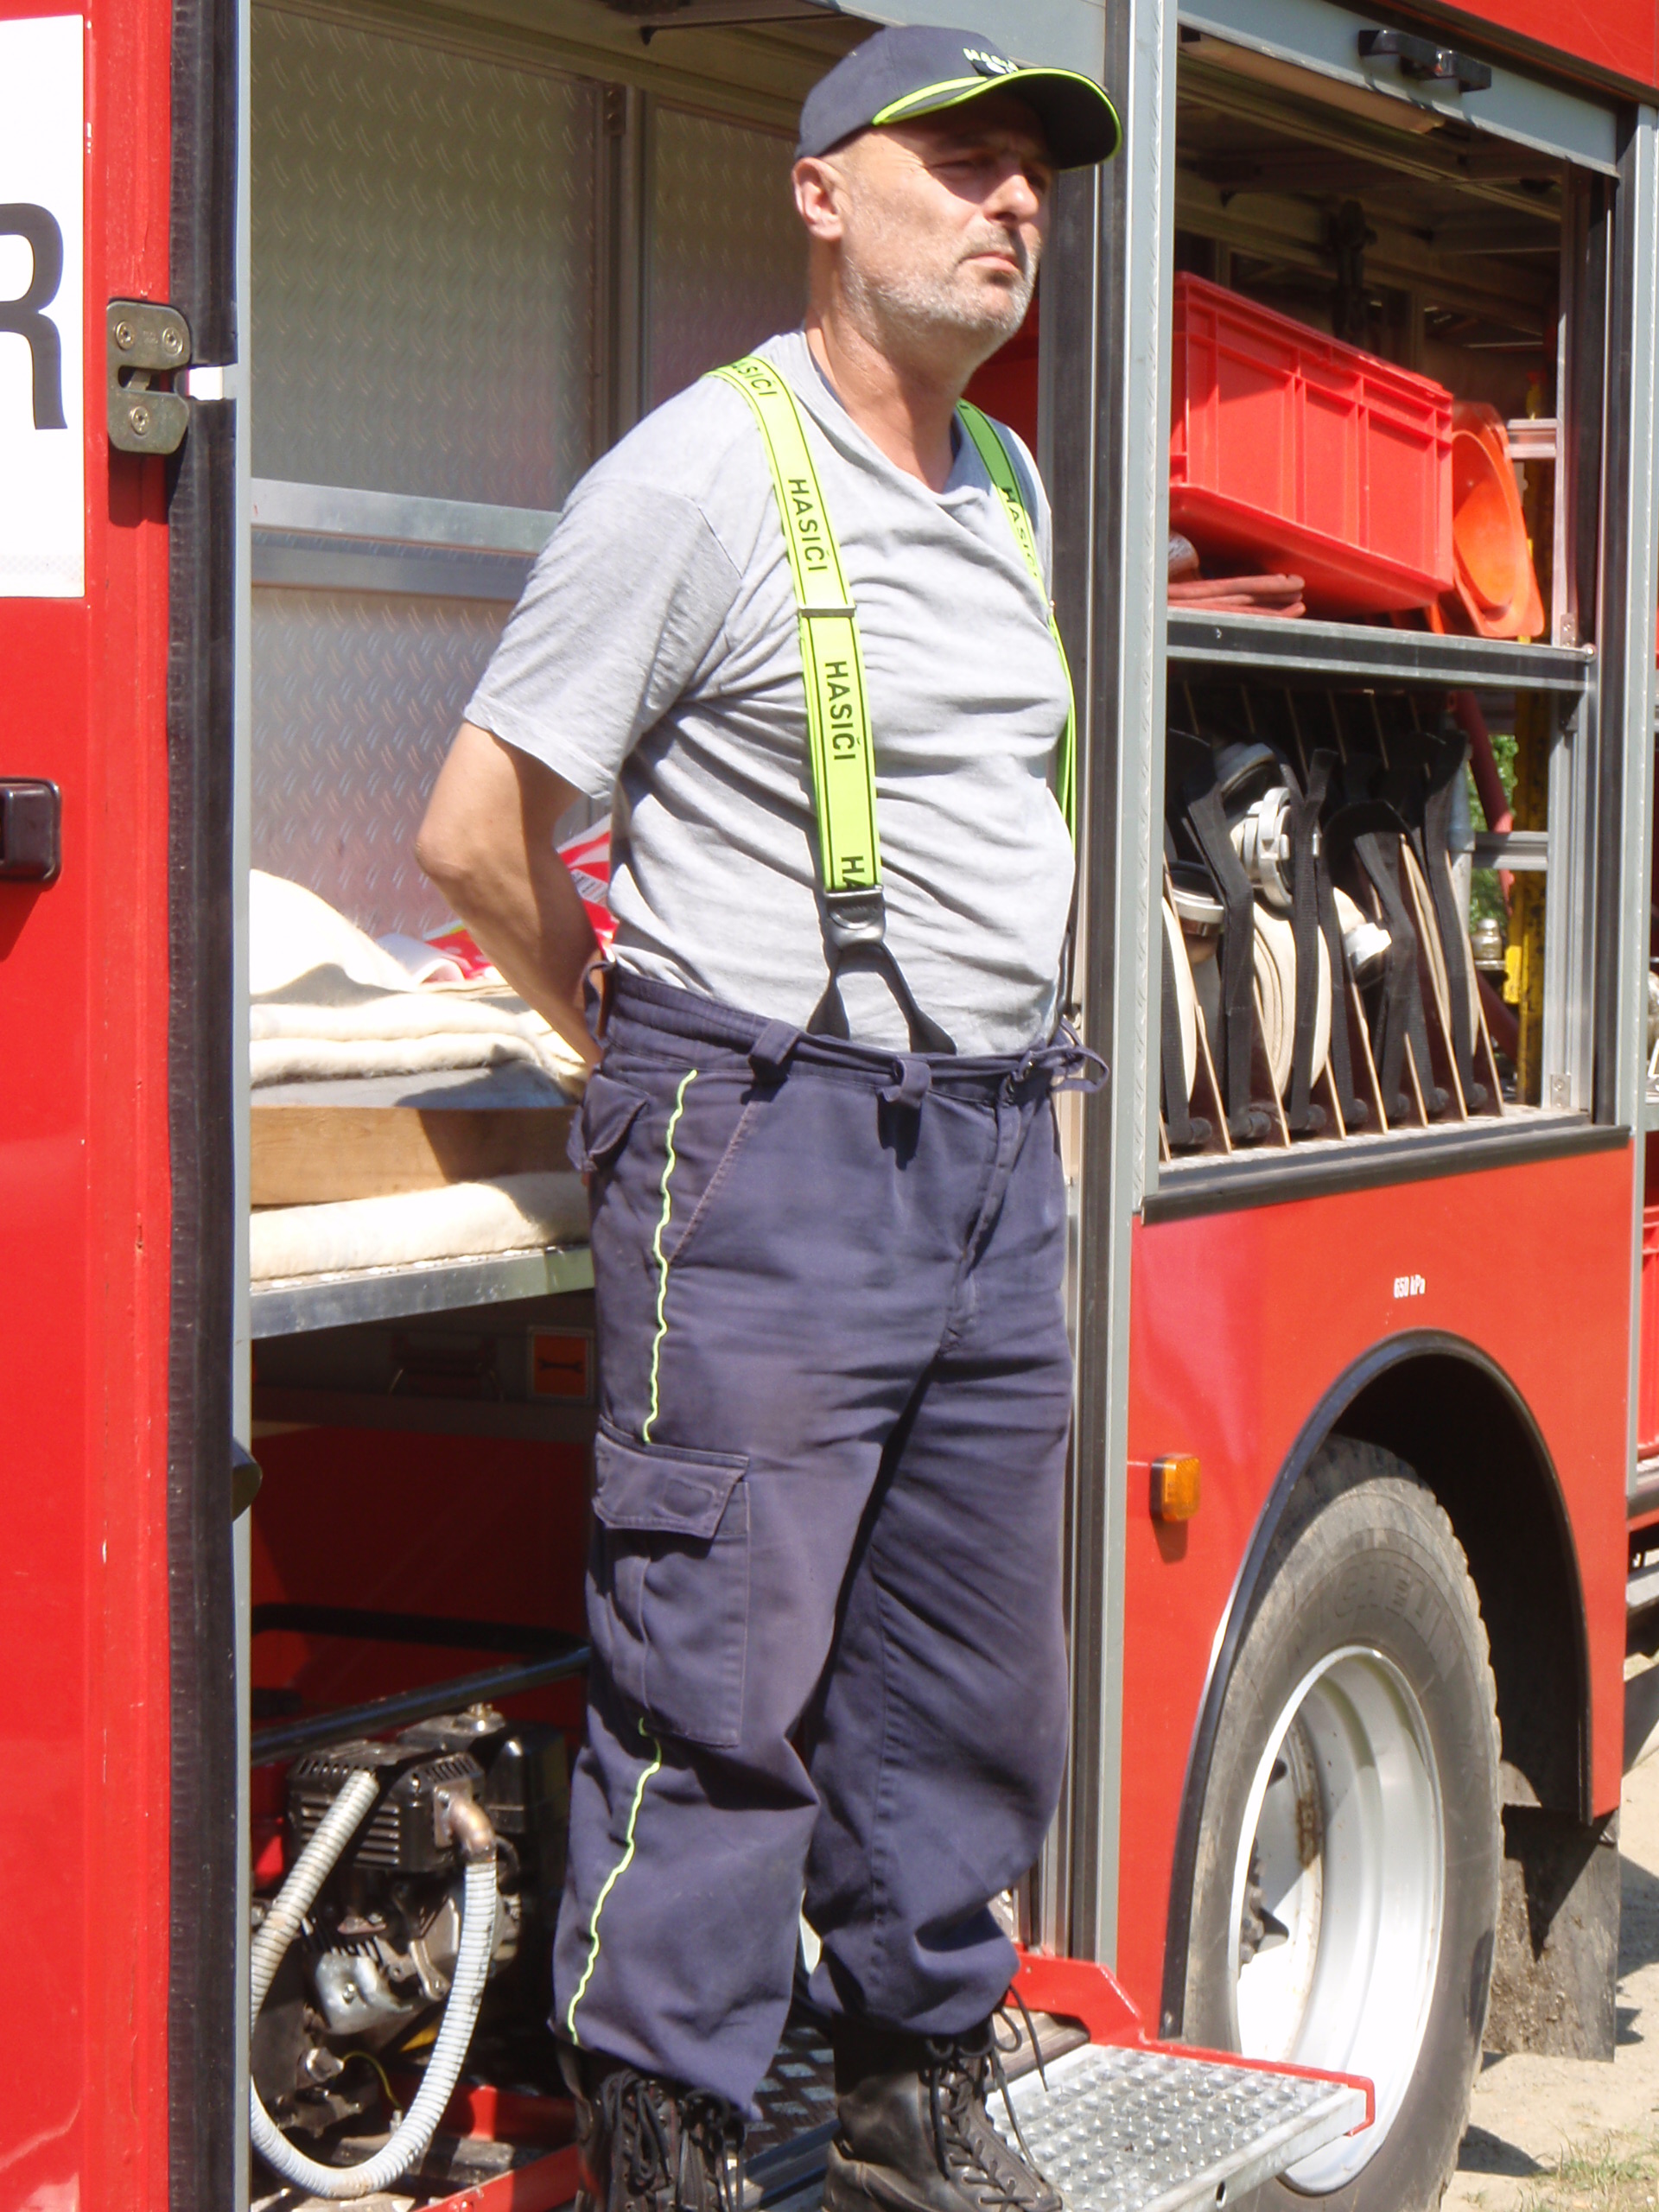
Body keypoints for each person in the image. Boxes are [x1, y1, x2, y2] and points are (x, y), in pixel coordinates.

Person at [416, 27, 1119, 2212]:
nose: (1013, 205)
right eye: (961, 163)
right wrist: (634, 1043)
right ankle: (675, 2132)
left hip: (992, 1147)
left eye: (1031, 175)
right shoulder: (702, 475)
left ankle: (915, 2090)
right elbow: (477, 831)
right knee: (717, 1666)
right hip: (773, 1138)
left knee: (962, 1667)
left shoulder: (1003, 484)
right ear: (821, 193)